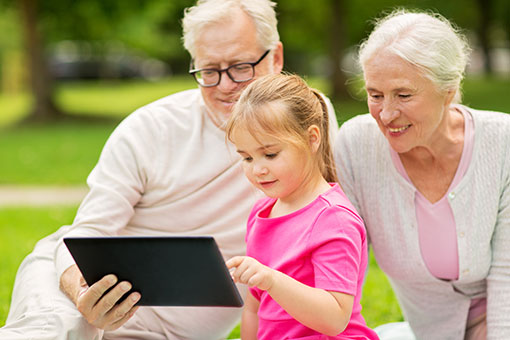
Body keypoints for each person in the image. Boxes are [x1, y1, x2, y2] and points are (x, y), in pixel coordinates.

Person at [0, 1, 339, 339]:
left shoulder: (306, 122)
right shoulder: (150, 129)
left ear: (276, 58)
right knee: (58, 329)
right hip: (76, 289)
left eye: (240, 66)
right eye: (209, 71)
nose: (224, 85)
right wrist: (82, 291)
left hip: (165, 332)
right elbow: (88, 231)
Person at [334, 9, 510, 340]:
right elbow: (340, 260)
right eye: (375, 95)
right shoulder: (356, 145)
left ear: (448, 89)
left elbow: (507, 272)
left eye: (403, 95)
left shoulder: (502, 143)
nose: (386, 114)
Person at [225, 73, 379, 340]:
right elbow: (254, 308)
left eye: (270, 154)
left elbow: (335, 319)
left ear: (312, 138)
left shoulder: (333, 218)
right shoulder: (262, 212)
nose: (258, 169)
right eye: (247, 157)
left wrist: (271, 280)